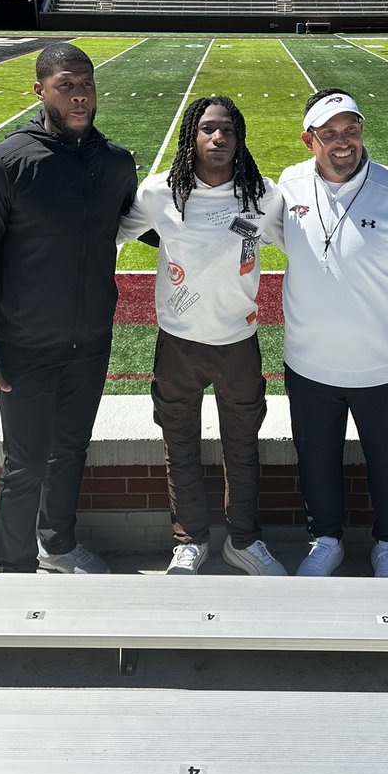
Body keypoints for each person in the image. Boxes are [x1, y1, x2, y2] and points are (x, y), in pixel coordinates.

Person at [0, 42, 137, 574]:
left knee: (71, 451)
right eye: (66, 85)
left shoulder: (115, 163)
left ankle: (56, 545)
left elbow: (146, 227)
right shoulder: (4, 165)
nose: (80, 95)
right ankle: (13, 569)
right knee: (25, 465)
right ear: (40, 91)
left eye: (86, 84)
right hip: (24, 346)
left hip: (90, 342)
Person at [268, 88, 388, 579]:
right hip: (308, 362)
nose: (342, 142)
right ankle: (326, 539)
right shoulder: (287, 185)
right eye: (329, 133)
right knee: (316, 460)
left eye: (351, 130)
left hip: (384, 364)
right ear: (308, 139)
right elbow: (246, 232)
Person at [117, 96, 286, 576]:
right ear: (191, 136)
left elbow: (305, 243)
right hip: (179, 343)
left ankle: (244, 541)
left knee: (243, 446)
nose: (218, 138)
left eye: (228, 130)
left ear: (240, 138)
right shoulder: (158, 194)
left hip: (238, 343)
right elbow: (107, 235)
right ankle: (189, 540)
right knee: (180, 444)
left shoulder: (263, 196)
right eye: (208, 129)